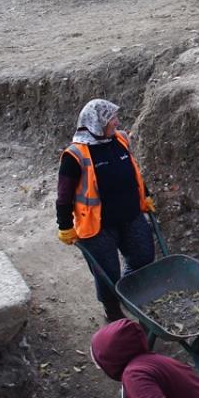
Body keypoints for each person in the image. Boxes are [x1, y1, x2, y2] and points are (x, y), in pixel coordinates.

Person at [55, 98, 156, 322]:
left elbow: (132, 172)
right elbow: (64, 196)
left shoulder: (120, 139)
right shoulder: (75, 156)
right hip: (97, 227)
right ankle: (113, 311)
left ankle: (129, 292)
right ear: (97, 122)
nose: (117, 122)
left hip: (130, 216)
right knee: (106, 273)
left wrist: (145, 196)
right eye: (112, 119)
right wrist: (65, 226)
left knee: (144, 257)